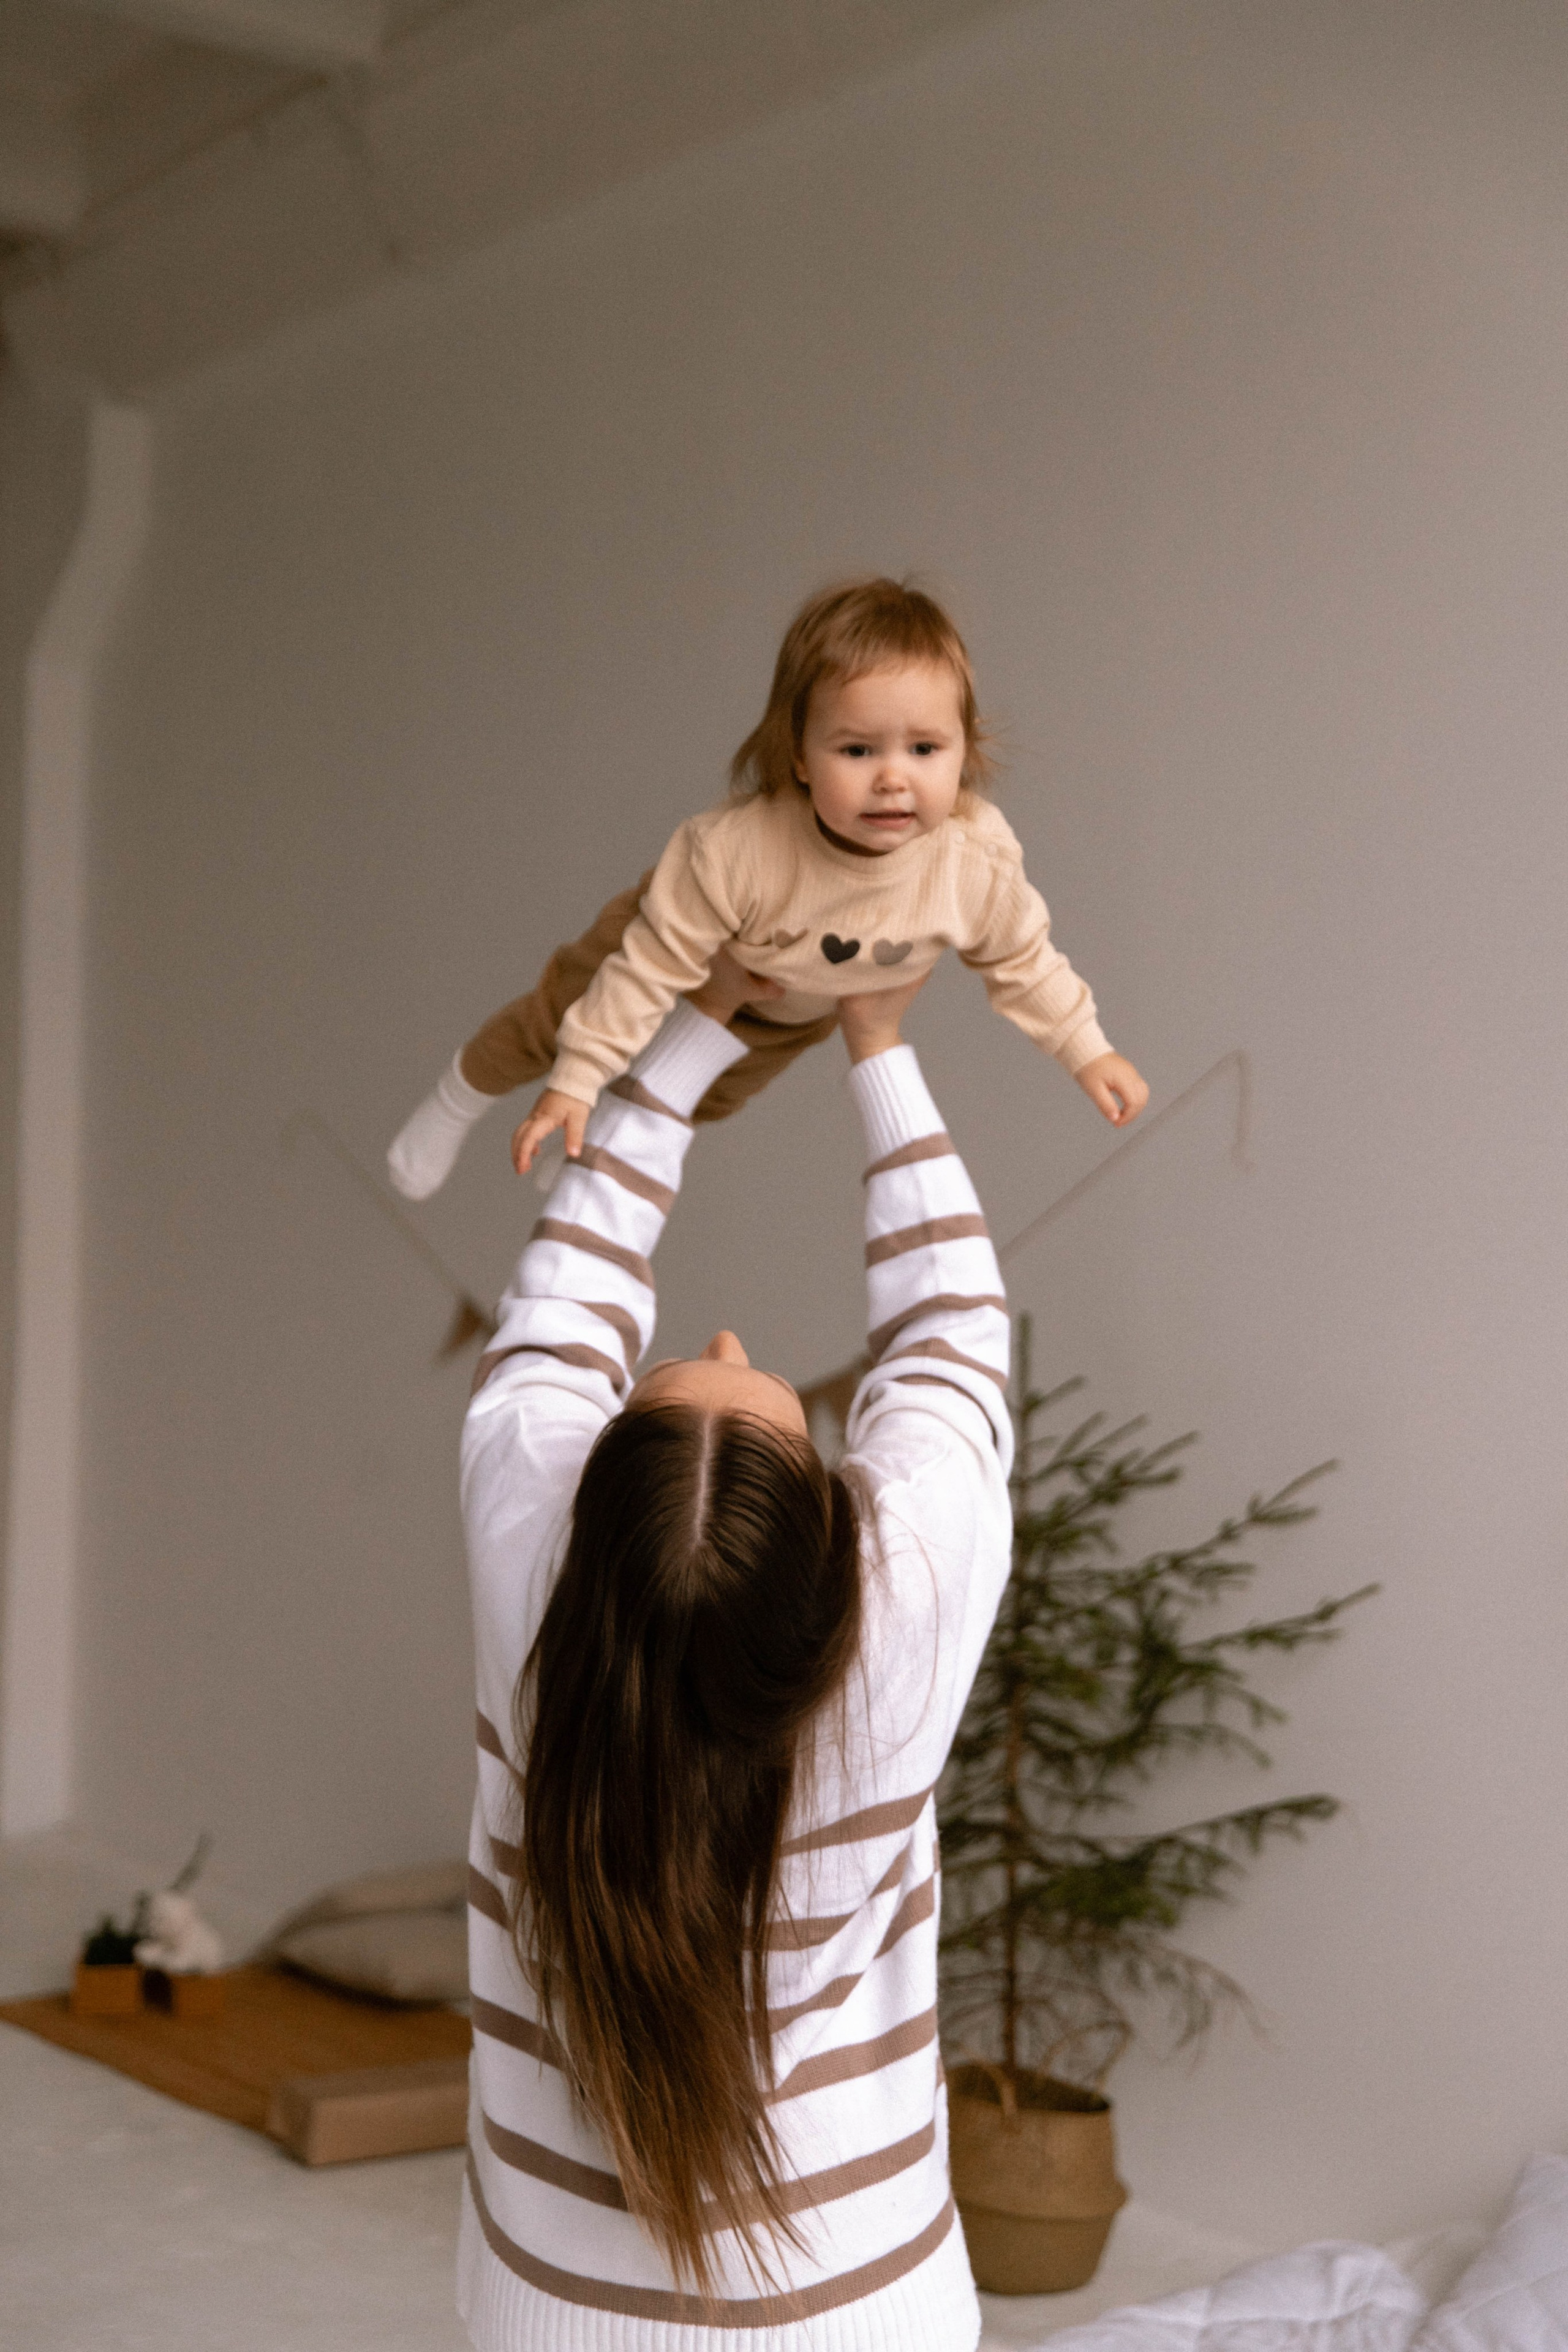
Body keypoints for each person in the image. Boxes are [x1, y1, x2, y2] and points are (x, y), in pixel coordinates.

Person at [458, 949, 1015, 2351]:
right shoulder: (885, 1623)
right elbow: (947, 1341)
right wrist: (875, 1045)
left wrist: (698, 1027)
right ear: (828, 1536)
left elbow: (560, 1308)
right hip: (857, 2315)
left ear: (587, 1508)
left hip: (549, 2318)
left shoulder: (536, 1585)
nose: (715, 1327)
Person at [388, 578, 1147, 1199]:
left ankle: (590, 1149)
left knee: (705, 1096)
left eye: (924, 748)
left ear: (963, 752)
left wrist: (1088, 1051)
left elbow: (1025, 961)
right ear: (801, 758)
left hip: (787, 1011)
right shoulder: (736, 852)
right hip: (669, 942)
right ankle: (460, 1100)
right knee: (553, 1026)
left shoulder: (971, 864)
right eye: (857, 749)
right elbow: (646, 973)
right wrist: (578, 1079)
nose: (893, 777)